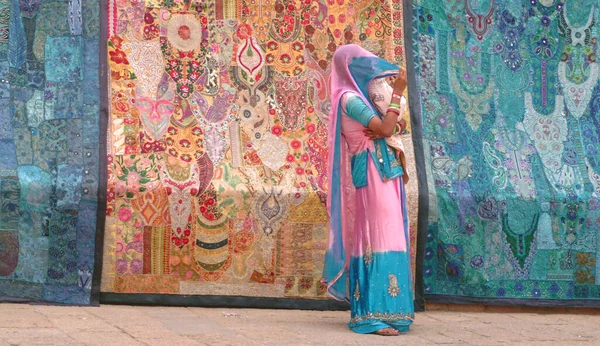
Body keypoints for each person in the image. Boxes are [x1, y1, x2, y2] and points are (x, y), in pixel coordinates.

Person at [322, 44, 414, 336]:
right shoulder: (349, 99)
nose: (370, 69)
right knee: (376, 239)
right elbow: (386, 129)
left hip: (387, 172)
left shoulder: (363, 98)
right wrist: (398, 91)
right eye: (363, 63)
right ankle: (369, 316)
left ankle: (394, 311)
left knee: (393, 237)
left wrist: (389, 122)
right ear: (350, 68)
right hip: (373, 173)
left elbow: (394, 125)